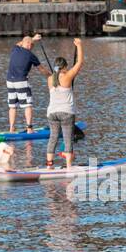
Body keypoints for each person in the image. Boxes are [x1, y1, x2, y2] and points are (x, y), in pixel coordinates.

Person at [46, 38, 84, 170]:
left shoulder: (50, 79)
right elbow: (79, 62)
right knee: (68, 139)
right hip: (66, 113)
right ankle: (68, 166)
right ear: (65, 67)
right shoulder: (67, 76)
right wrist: (78, 45)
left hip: (52, 113)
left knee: (53, 138)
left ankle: (49, 166)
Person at [6, 32, 44, 134]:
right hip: (21, 81)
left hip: (9, 81)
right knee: (28, 105)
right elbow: (42, 70)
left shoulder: (15, 49)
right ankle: (29, 129)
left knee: (12, 106)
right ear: (30, 45)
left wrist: (33, 38)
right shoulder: (31, 55)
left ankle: (11, 129)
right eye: (32, 45)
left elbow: (21, 42)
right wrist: (52, 76)